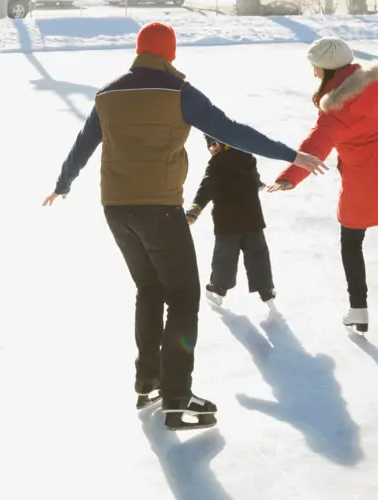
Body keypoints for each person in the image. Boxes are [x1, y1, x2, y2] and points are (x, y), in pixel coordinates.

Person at [42, 21, 329, 431]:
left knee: (149, 290)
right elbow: (231, 131)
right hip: (158, 208)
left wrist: (63, 183)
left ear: (140, 51)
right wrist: (291, 155)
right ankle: (178, 398)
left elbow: (84, 143)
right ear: (169, 53)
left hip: (116, 208)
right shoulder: (178, 92)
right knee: (183, 298)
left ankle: (148, 382)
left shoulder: (108, 94)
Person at [267, 36, 378, 338]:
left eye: (316, 68)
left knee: (351, 245)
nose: (314, 74)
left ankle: (358, 310)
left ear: (327, 70)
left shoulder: (334, 113)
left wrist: (288, 177)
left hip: (362, 194)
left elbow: (314, 147)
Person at [186, 135, 276, 311]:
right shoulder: (248, 159)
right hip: (252, 221)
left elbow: (206, 188)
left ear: (222, 144)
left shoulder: (216, 166)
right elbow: (253, 178)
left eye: (213, 145)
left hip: (227, 223)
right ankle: (266, 291)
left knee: (224, 258)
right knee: (258, 255)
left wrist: (195, 209)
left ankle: (218, 290)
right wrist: (258, 184)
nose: (211, 150)